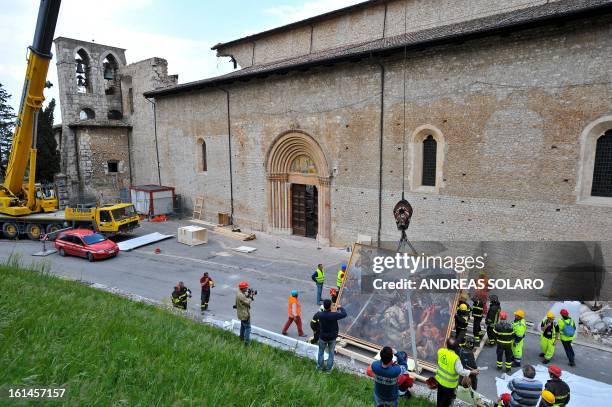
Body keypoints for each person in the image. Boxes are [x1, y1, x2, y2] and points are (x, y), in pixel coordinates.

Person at [434, 337, 479, 407]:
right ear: (456, 348)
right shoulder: (455, 358)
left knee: (439, 397)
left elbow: (439, 361)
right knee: (446, 402)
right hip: (449, 385)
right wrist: (472, 372)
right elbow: (460, 371)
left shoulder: (440, 351)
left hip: (439, 380)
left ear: (446, 345)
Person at [315, 299, 347, 372]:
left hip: (323, 337)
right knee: (331, 353)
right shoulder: (334, 315)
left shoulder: (320, 314)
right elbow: (344, 314)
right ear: (330, 306)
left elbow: (317, 315)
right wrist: (340, 307)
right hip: (332, 337)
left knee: (321, 352)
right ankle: (328, 370)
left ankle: (319, 368)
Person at [235, 281, 253, 345]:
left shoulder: (239, 292)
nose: (247, 289)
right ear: (242, 288)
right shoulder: (241, 295)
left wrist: (248, 294)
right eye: (246, 288)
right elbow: (247, 302)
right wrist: (251, 297)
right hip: (244, 314)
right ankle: (246, 343)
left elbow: (244, 297)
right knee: (248, 328)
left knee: (242, 326)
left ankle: (241, 338)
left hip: (240, 314)